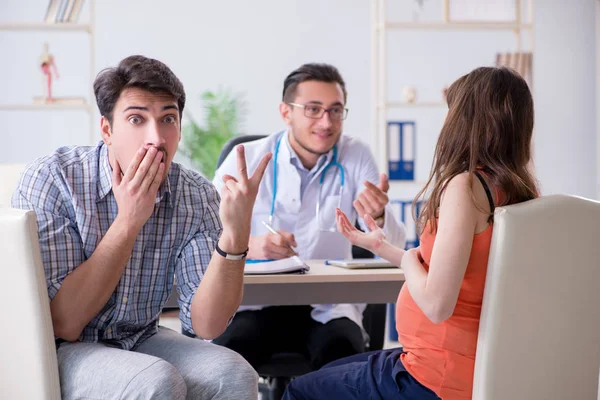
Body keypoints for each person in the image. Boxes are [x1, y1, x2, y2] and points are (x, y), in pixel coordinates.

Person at [12, 55, 271, 400]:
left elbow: (207, 324)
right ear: (107, 129)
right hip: (59, 349)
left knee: (234, 374)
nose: (156, 138)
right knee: (155, 381)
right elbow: (65, 323)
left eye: (168, 119)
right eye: (137, 119)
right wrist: (129, 219)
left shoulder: (194, 193)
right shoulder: (54, 179)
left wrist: (235, 236)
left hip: (140, 336)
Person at [282, 66, 540, 399]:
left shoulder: (465, 187)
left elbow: (436, 305)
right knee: (329, 373)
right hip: (477, 369)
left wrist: (404, 264)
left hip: (436, 377)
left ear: (465, 121)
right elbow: (461, 269)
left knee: (302, 391)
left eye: (451, 111)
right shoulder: (520, 191)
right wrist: (383, 247)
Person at [203, 63, 406, 371]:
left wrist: (378, 216)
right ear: (286, 112)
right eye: (313, 109)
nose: (327, 122)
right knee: (227, 362)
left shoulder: (357, 155)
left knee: (344, 360)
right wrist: (249, 245)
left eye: (336, 110)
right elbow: (201, 234)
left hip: (327, 306)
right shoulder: (247, 157)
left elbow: (397, 245)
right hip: (251, 302)